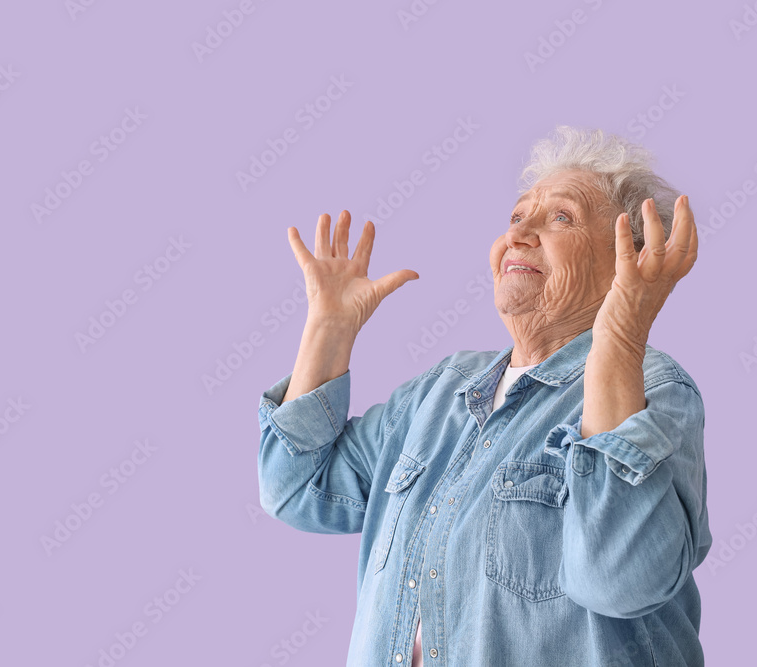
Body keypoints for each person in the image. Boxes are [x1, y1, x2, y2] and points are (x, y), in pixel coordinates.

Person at [256, 125, 711, 666]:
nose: (519, 234)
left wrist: (620, 337)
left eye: (560, 217)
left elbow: (621, 581)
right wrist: (329, 329)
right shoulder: (441, 390)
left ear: (628, 258)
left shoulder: (656, 390)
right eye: (518, 216)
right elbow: (297, 490)